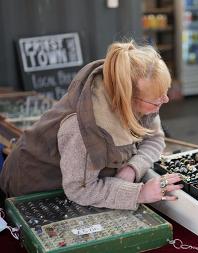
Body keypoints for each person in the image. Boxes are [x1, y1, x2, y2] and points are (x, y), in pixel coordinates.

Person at [0, 40, 182, 210]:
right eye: (156, 99)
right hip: (34, 186)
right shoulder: (82, 127)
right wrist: (140, 193)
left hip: (79, 182)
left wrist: (132, 168)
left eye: (165, 91)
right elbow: (80, 189)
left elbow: (155, 137)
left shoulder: (143, 96)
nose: (165, 100)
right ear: (127, 98)